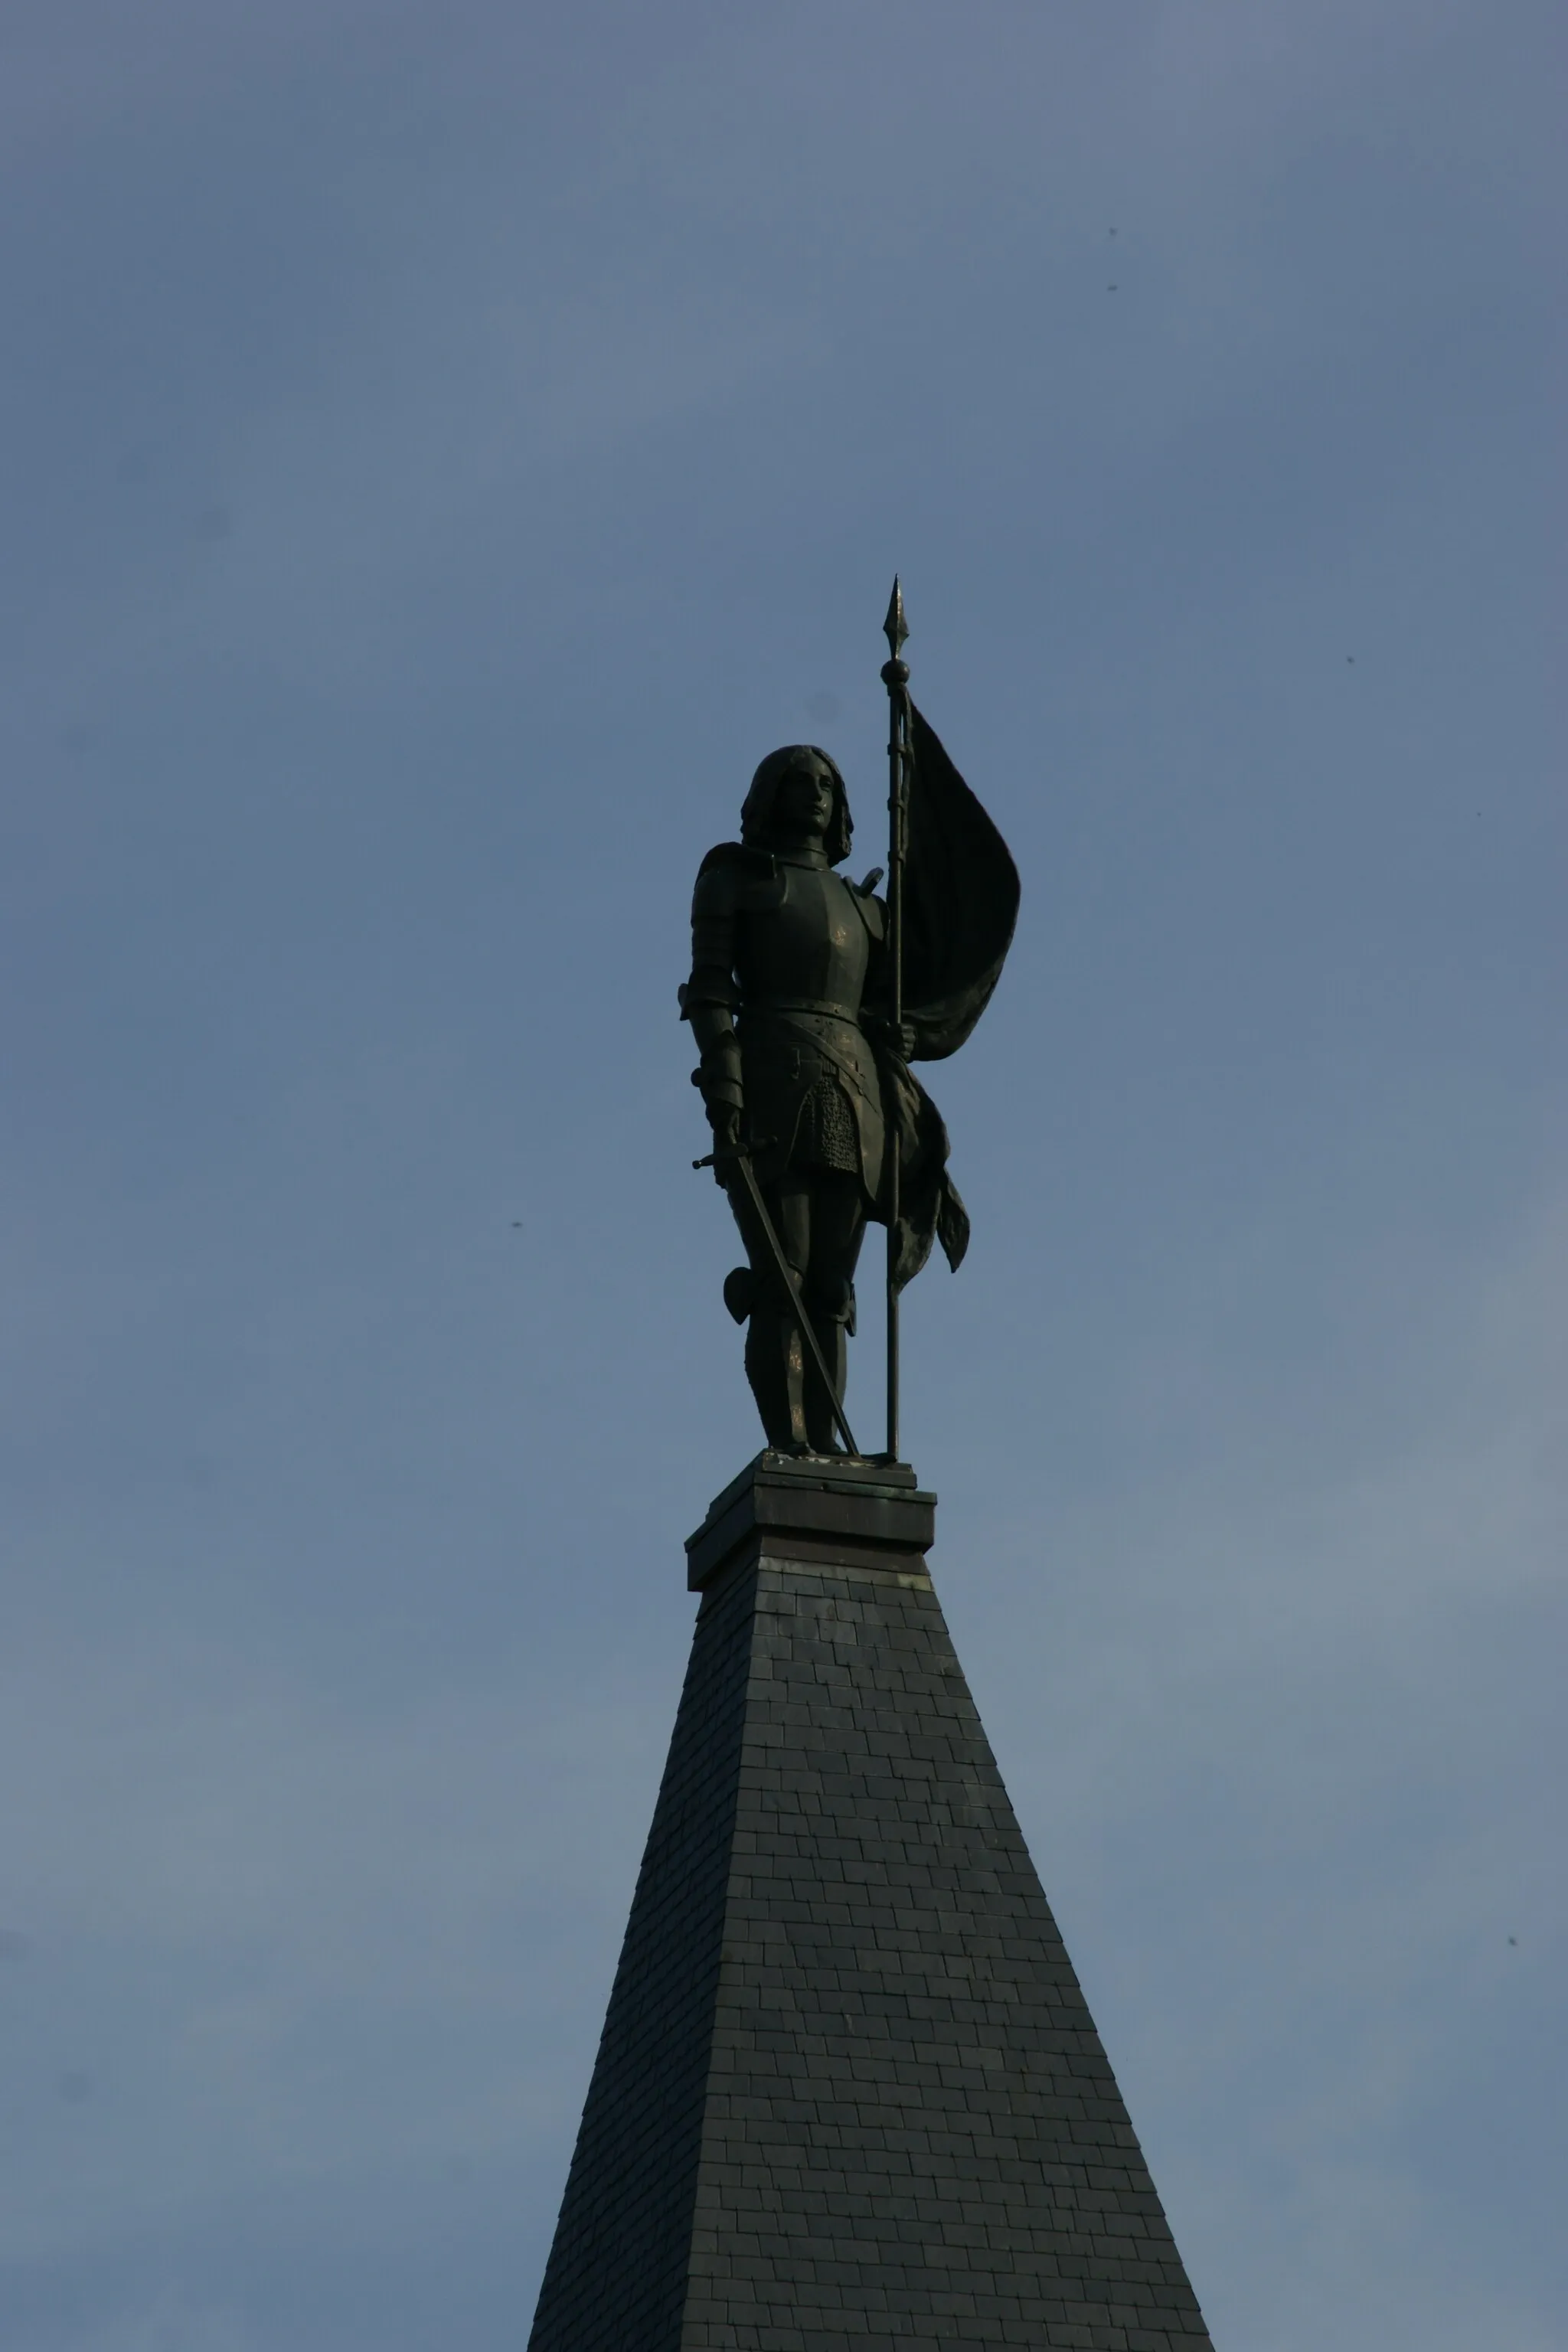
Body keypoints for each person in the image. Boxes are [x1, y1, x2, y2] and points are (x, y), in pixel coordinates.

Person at [681, 745, 887, 1452]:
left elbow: (895, 1016)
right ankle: (790, 1441)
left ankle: (828, 1448)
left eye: (828, 782)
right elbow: (710, 991)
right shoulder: (738, 879)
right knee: (786, 1274)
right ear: (769, 794)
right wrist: (726, 1088)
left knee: (832, 1288)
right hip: (774, 1077)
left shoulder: (867, 908)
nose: (816, 792)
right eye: (799, 780)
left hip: (857, 1093)